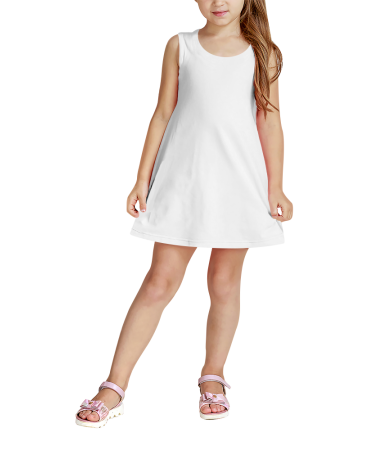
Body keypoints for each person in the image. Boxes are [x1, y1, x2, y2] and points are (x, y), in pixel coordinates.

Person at [75, 0, 294, 428]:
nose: (218, 2)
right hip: (184, 178)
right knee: (160, 280)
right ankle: (114, 385)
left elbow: (270, 119)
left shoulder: (262, 52)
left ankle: (213, 375)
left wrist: (276, 187)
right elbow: (163, 112)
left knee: (224, 281)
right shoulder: (181, 45)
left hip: (238, 183)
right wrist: (141, 179)